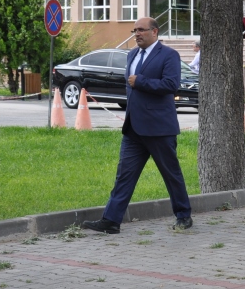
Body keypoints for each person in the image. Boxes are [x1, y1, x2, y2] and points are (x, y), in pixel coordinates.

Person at [82, 17, 193, 234]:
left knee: (171, 174)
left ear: (155, 32)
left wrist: (141, 81)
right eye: (134, 30)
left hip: (159, 128)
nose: (137, 34)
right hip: (133, 128)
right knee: (124, 175)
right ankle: (111, 220)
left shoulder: (168, 55)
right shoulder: (132, 54)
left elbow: (171, 85)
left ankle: (183, 215)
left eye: (141, 30)